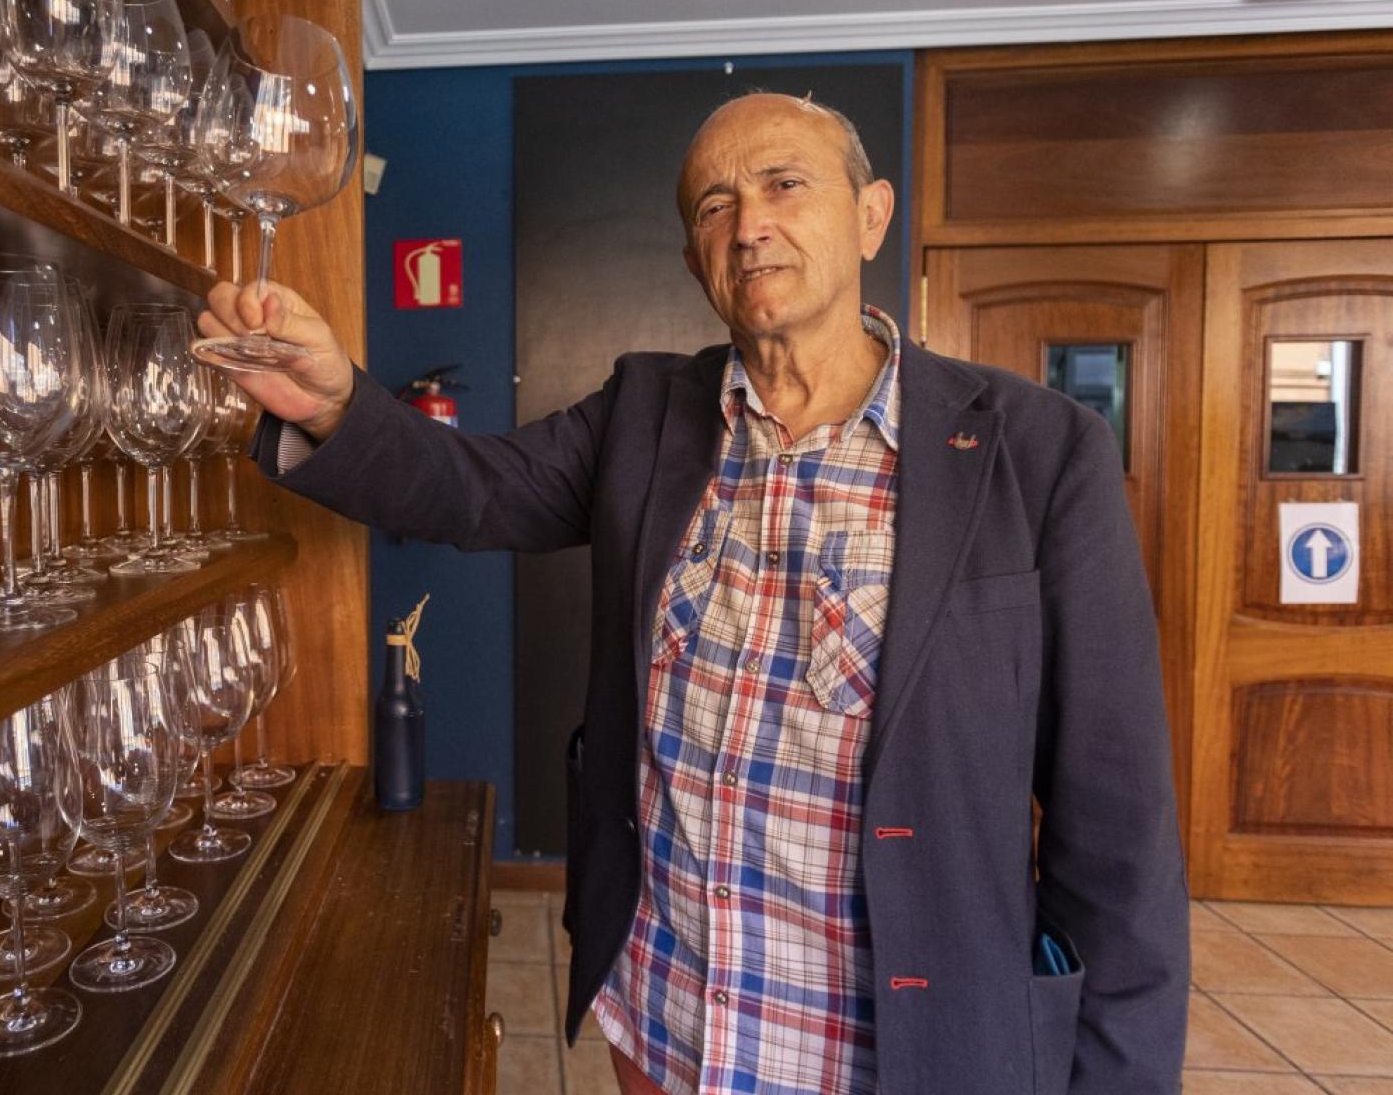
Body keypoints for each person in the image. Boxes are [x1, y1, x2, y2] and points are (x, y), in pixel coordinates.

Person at [197, 92, 1189, 1095]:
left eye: (784, 184)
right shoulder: (645, 412)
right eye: (713, 205)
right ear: (693, 262)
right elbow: (472, 491)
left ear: (872, 215)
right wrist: (333, 403)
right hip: (672, 1023)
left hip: (902, 1053)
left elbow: (1118, 827)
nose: (748, 222)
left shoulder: (1038, 450)